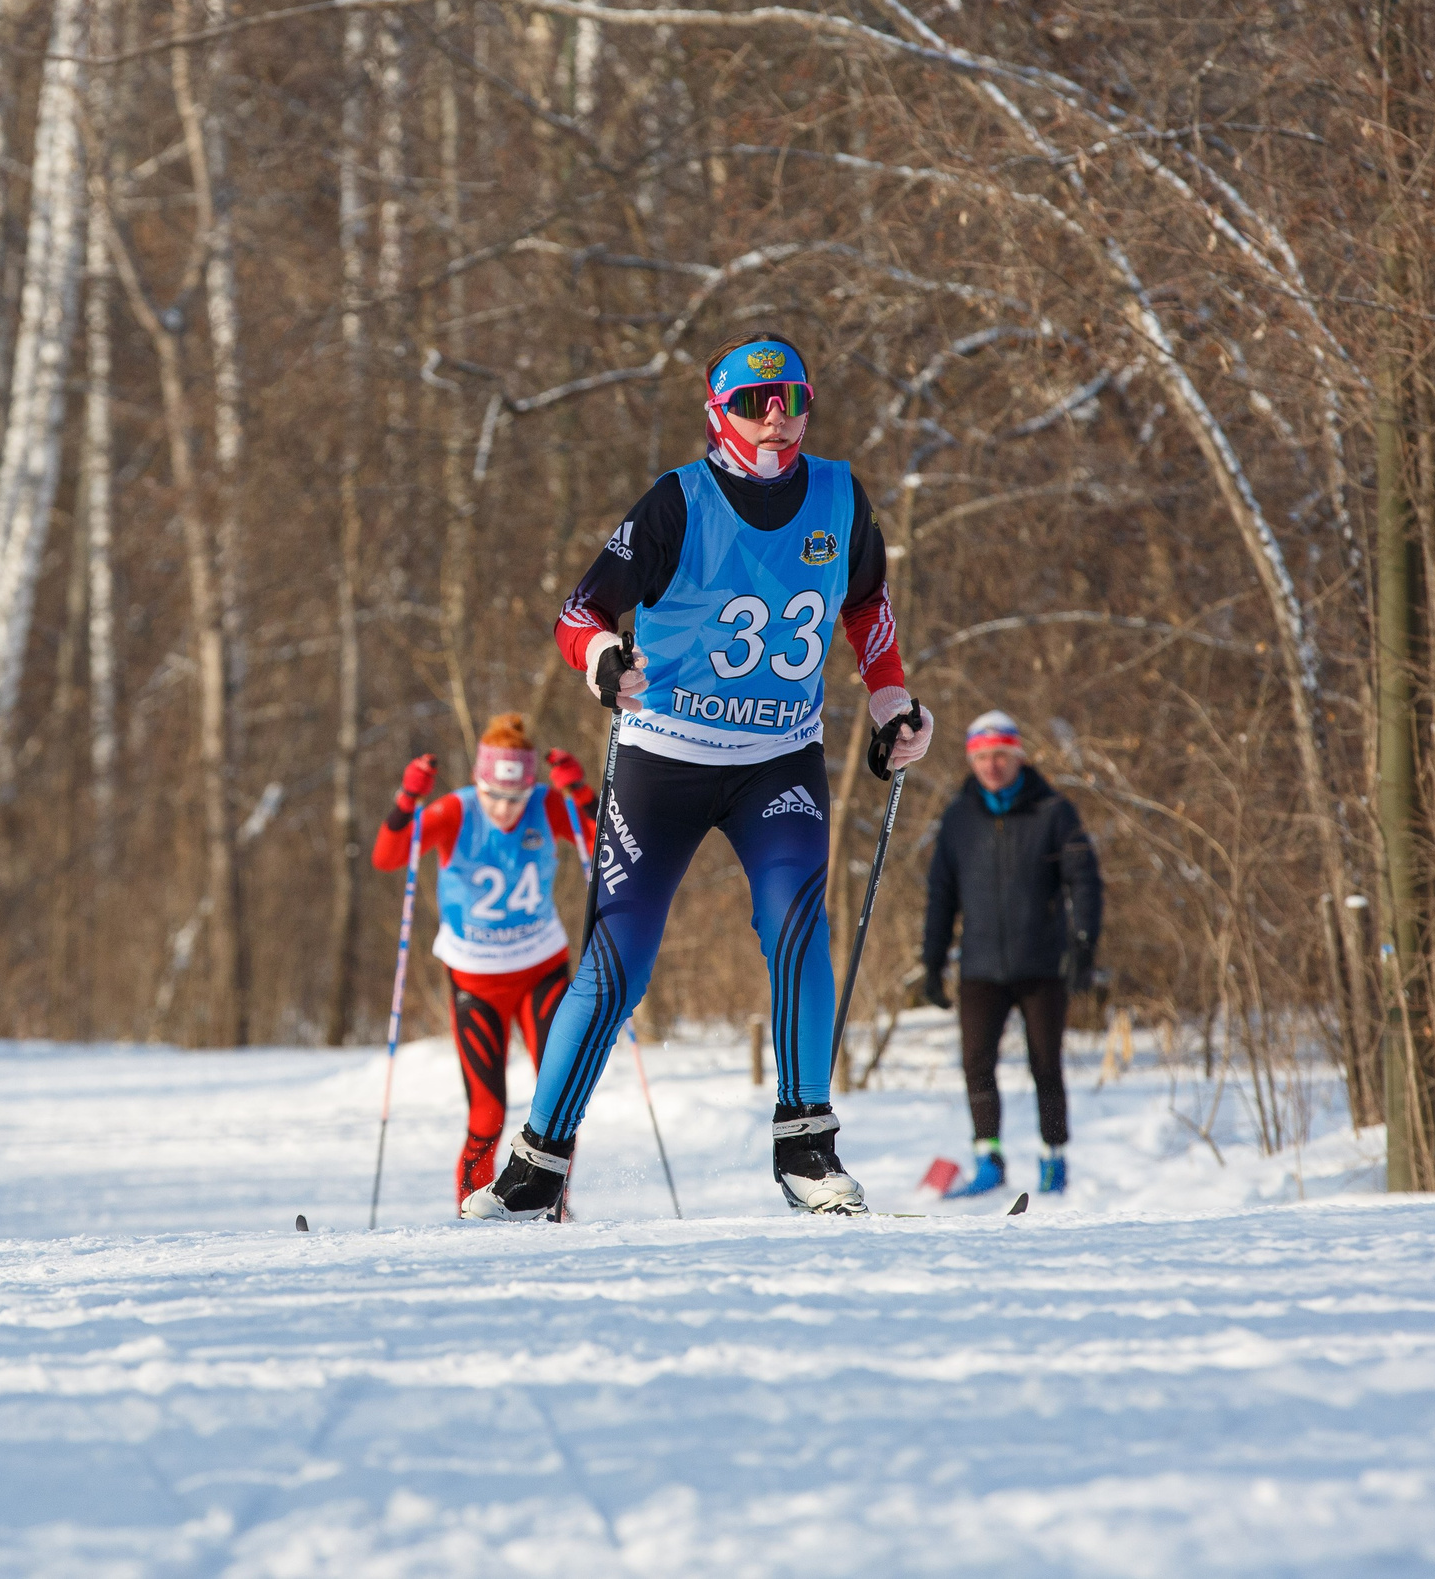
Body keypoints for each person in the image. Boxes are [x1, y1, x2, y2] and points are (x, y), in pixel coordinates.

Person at [462, 332, 934, 1221]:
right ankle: (537, 1166)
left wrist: (891, 702)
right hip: (661, 760)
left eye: (793, 399)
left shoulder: (838, 494)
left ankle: (806, 1148)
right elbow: (579, 609)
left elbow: (866, 602)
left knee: (795, 923)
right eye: (757, 403)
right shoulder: (678, 501)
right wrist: (603, 656)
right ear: (719, 413)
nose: (778, 420)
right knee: (617, 960)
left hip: (777, 760)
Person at [377, 713, 598, 1209]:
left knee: (559, 1101)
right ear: (478, 784)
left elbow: (601, 837)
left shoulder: (546, 805)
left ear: (531, 789)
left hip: (541, 969)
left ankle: (551, 1203)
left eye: (516, 798)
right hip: (476, 979)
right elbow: (389, 856)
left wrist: (580, 791)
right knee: (486, 1113)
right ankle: (473, 1207)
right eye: (493, 795)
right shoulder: (456, 811)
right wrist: (407, 799)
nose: (503, 809)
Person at [919, 710, 1104, 1197]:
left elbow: (1084, 880)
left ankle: (1053, 1158)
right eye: (981, 757)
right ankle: (988, 1158)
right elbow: (942, 894)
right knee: (976, 1062)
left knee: (1046, 1063)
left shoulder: (1053, 811)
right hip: (980, 966)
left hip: (1042, 963)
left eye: (1000, 755)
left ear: (1018, 756)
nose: (991, 766)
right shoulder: (959, 818)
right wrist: (932, 962)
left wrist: (1083, 947)